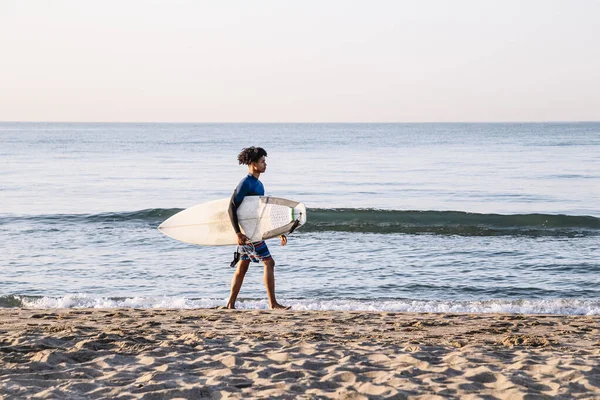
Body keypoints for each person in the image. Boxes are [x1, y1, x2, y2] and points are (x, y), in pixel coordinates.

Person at [226, 146, 289, 310]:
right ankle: (273, 303)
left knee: (242, 267)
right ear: (254, 164)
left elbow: (260, 214)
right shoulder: (246, 183)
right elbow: (231, 208)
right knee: (269, 263)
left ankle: (230, 304)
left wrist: (277, 232)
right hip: (248, 234)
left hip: (252, 232)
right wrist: (238, 232)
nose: (265, 164)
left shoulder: (258, 184)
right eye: (262, 161)